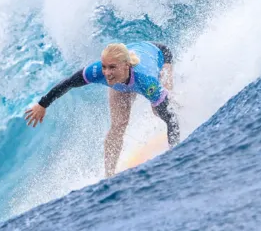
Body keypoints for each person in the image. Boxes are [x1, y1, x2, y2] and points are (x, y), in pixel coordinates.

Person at [24, 41, 180, 177]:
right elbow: (69, 83)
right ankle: (109, 175)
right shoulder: (98, 71)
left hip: (159, 54)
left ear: (126, 66)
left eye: (112, 68)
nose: (107, 73)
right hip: (126, 69)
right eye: (104, 67)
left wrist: (175, 153)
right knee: (119, 124)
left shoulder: (146, 80)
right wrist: (43, 104)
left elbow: (171, 119)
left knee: (163, 109)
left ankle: (182, 107)